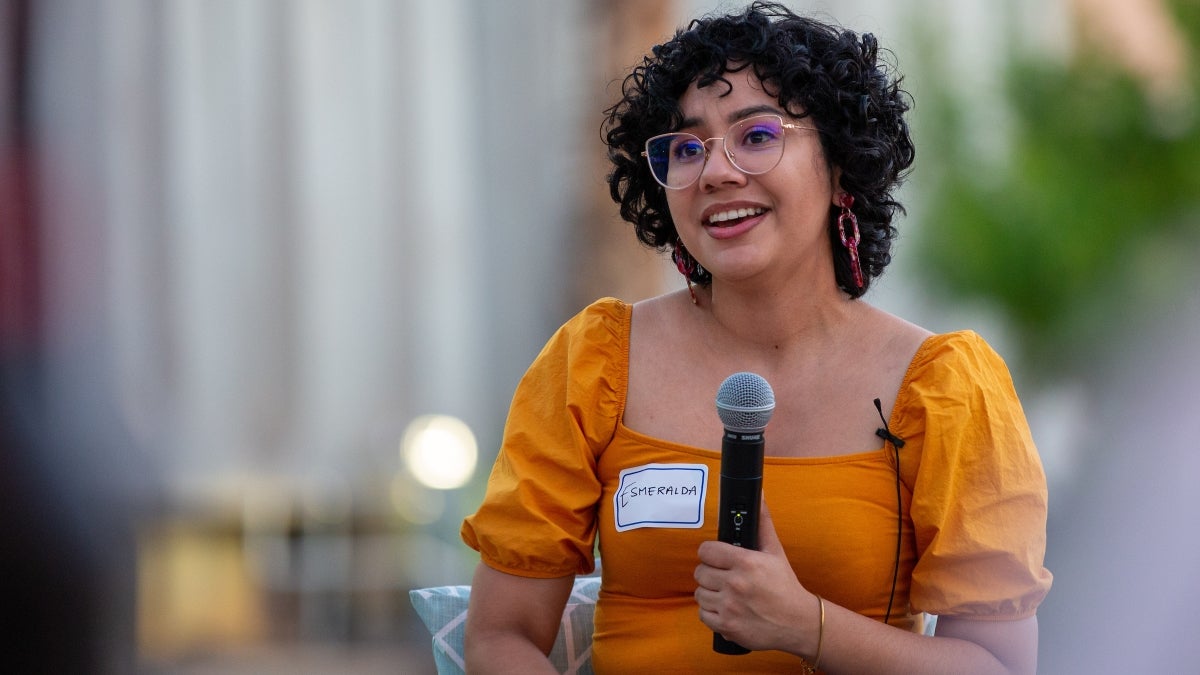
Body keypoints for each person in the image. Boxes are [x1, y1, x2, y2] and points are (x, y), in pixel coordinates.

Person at [460, 2, 1052, 672]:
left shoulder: (944, 388)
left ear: (839, 168)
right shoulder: (595, 360)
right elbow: (500, 635)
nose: (716, 172)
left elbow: (998, 667)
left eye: (757, 135)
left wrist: (808, 625)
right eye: (687, 147)